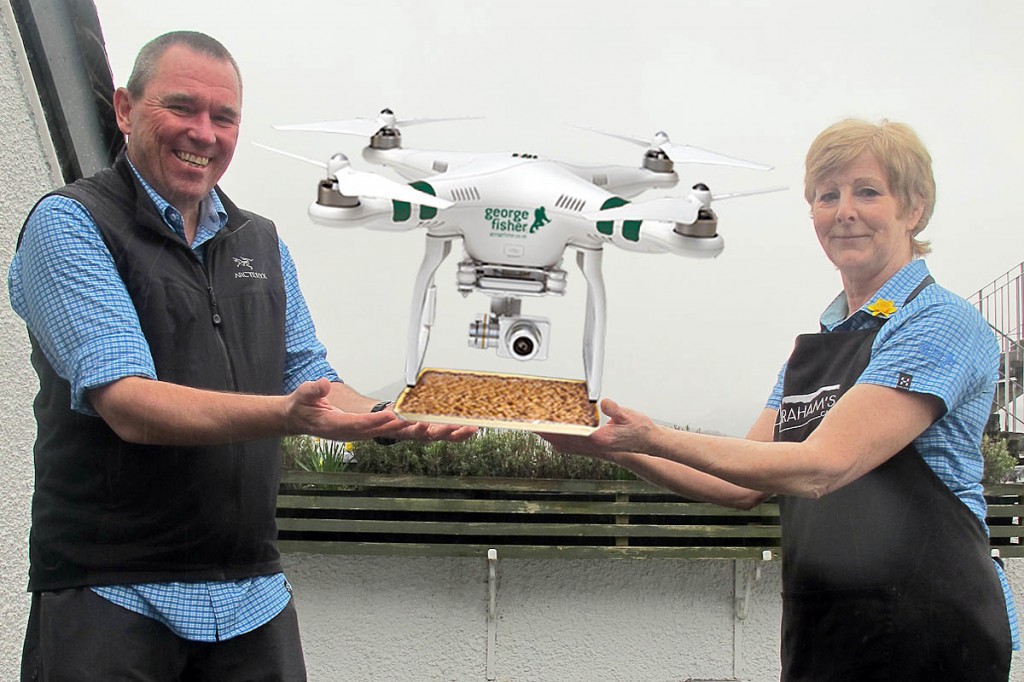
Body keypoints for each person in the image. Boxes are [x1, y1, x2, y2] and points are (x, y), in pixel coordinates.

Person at [9, 30, 474, 681]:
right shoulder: (70, 225)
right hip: (110, 594)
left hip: (252, 599)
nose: (204, 133)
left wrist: (394, 416)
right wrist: (286, 415)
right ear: (124, 109)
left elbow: (307, 376)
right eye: (182, 107)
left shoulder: (261, 241)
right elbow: (128, 403)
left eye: (223, 117)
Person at [543, 118, 1018, 680]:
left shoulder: (940, 323)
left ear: (914, 209)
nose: (844, 210)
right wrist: (607, 445)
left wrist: (654, 434)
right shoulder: (812, 351)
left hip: (931, 636)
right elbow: (739, 481)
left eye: (868, 191)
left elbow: (824, 465)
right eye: (827, 195)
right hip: (828, 633)